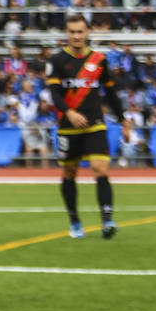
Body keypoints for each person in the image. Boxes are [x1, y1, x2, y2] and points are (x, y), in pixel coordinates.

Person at [45, 13, 122, 238]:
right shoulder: (57, 61)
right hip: (68, 126)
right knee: (70, 172)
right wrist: (69, 112)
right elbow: (54, 93)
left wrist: (123, 119)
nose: (76, 36)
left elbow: (111, 92)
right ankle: (74, 221)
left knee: (101, 169)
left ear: (87, 32)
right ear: (66, 34)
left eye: (80, 31)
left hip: (95, 123)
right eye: (72, 32)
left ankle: (107, 221)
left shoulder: (99, 60)